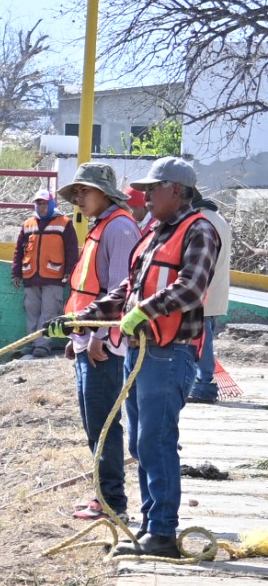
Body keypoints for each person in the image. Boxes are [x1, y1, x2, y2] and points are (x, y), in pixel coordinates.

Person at [78, 155, 223, 556]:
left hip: (169, 353)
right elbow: (129, 288)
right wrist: (86, 317)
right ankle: (150, 526)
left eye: (150, 189)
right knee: (142, 446)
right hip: (143, 353)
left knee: (155, 441)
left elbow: (191, 288)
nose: (143, 195)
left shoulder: (200, 231)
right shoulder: (156, 232)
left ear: (176, 191)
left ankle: (161, 532)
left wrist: (143, 311)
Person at [59, 162, 142, 525]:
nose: (78, 198)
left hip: (104, 346)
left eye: (85, 191)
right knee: (94, 423)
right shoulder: (101, 227)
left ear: (104, 193)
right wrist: (79, 335)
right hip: (88, 339)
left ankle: (112, 501)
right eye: (76, 192)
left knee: (105, 424)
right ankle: (103, 496)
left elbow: (120, 290)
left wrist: (98, 336)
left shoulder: (120, 228)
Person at [11, 191, 79, 358]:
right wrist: (16, 273)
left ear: (51, 204)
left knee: (49, 312)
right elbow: (18, 250)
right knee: (31, 312)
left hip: (54, 277)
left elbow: (71, 249)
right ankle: (33, 344)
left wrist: (69, 271)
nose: (41, 207)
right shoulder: (28, 224)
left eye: (44, 203)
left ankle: (42, 346)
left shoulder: (64, 223)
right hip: (31, 277)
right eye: (38, 203)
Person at [191, 186, 234, 403]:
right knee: (204, 340)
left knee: (201, 342)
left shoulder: (201, 222)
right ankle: (202, 383)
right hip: (214, 293)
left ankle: (203, 386)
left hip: (203, 294)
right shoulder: (217, 219)